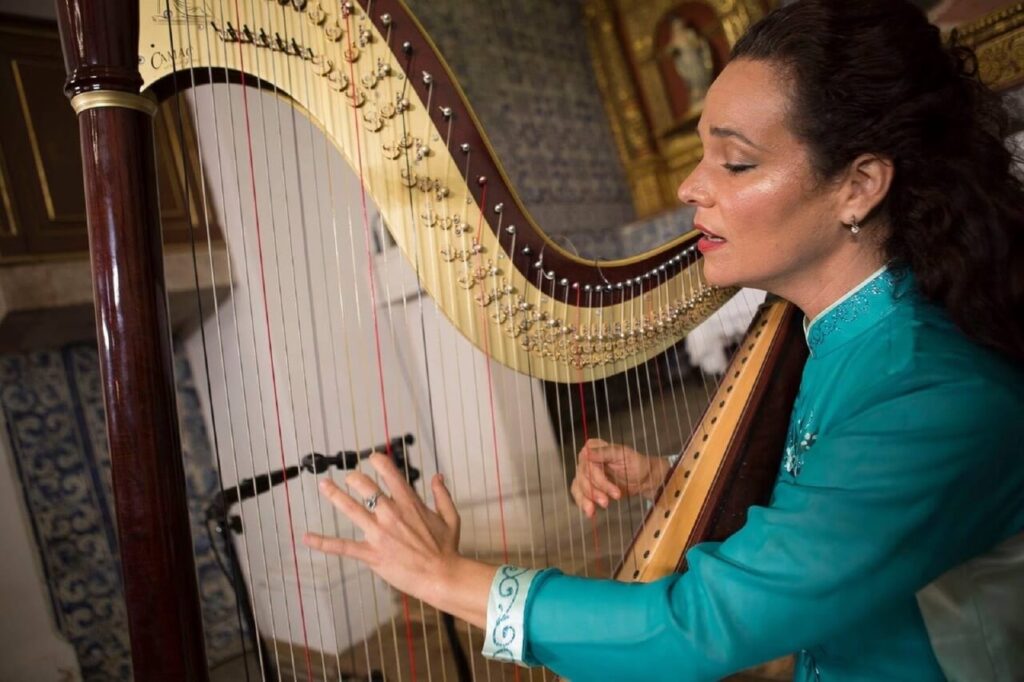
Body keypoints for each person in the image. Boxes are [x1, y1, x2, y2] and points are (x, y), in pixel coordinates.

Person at [304, 1, 1024, 679]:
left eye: (734, 162)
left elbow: (695, 628)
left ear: (859, 185)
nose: (689, 186)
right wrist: (670, 472)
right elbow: (844, 474)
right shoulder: (839, 329)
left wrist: (448, 578)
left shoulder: (932, 390)